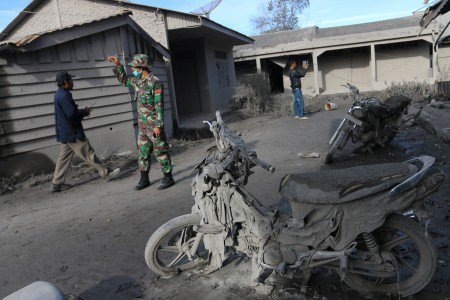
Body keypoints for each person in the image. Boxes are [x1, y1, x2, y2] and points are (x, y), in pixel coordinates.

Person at [108, 54, 175, 190]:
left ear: (142, 67)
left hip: (154, 125)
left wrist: (158, 126)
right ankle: (144, 179)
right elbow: (124, 80)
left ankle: (168, 177)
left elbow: (159, 105)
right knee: (143, 153)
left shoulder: (155, 82)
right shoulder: (137, 81)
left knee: (161, 151)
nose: (132, 69)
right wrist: (118, 65)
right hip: (143, 126)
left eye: (134, 67)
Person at [50, 71, 120, 192]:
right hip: (73, 132)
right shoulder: (65, 95)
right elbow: (71, 114)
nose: (73, 82)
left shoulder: (58, 94)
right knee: (88, 153)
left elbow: (69, 113)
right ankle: (106, 173)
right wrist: (84, 112)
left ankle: (56, 183)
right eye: (71, 80)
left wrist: (82, 112)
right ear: (66, 82)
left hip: (65, 133)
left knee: (63, 158)